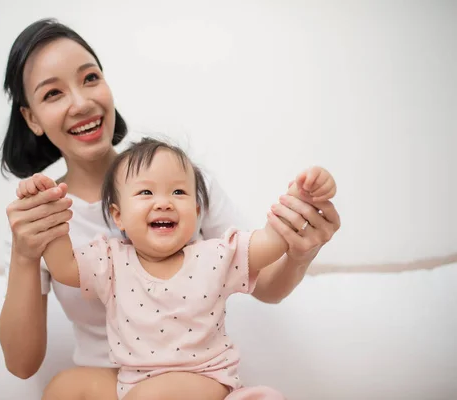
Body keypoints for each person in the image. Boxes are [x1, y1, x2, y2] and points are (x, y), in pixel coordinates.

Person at [0, 18, 341, 400]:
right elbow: (23, 362)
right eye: (52, 94)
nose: (81, 102)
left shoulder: (182, 183)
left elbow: (261, 265)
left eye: (90, 78)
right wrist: (26, 251)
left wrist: (297, 241)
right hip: (118, 380)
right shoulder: (45, 220)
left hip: (192, 376)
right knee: (61, 389)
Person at [18, 137, 337, 399]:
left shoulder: (216, 255)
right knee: (63, 388)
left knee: (153, 397)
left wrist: (301, 202)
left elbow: (268, 242)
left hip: (204, 379)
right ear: (118, 216)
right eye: (146, 192)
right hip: (133, 383)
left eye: (179, 192)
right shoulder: (111, 260)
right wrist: (49, 214)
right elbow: (63, 267)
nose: (164, 202)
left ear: (197, 211)